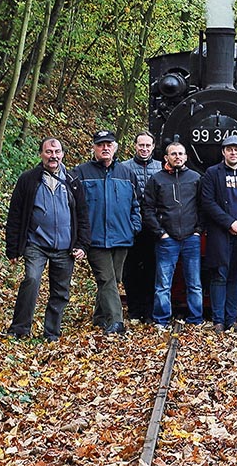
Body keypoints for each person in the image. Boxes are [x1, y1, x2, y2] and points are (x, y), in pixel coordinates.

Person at [5, 138, 89, 341]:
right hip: (36, 244)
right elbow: (15, 214)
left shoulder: (72, 180)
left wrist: (82, 244)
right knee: (31, 280)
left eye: (57, 151)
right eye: (49, 151)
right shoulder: (28, 179)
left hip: (65, 247)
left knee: (60, 291)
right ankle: (20, 328)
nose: (53, 156)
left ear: (62, 154)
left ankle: (52, 332)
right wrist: (13, 248)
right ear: (41, 154)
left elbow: (83, 214)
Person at [75, 129, 142, 334]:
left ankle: (99, 317)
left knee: (114, 279)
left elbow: (136, 204)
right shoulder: (80, 173)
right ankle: (116, 321)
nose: (105, 148)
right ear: (94, 148)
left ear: (115, 148)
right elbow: (73, 207)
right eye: (100, 144)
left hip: (122, 237)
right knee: (106, 278)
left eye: (109, 145)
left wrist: (134, 226)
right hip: (94, 238)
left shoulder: (126, 173)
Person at [143, 142, 204, 328]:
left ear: (186, 157)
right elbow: (147, 208)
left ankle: (196, 318)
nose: (177, 157)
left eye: (180, 153)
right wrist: (160, 233)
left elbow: (203, 206)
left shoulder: (195, 178)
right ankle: (161, 320)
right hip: (167, 239)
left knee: (194, 282)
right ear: (166, 157)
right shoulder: (156, 180)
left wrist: (198, 230)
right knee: (163, 284)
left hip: (191, 238)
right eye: (173, 154)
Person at [201, 134, 237, 331]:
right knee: (219, 276)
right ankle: (218, 320)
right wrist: (230, 222)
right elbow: (208, 202)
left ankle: (231, 319)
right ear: (223, 151)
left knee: (235, 276)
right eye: (229, 149)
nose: (233, 152)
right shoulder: (212, 173)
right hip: (220, 233)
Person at [122, 131, 158, 323]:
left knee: (152, 268)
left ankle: (150, 310)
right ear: (135, 146)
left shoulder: (161, 167)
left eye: (147, 145)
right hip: (130, 226)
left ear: (153, 147)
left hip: (153, 226)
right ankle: (135, 310)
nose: (144, 149)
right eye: (141, 145)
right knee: (131, 270)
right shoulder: (123, 168)